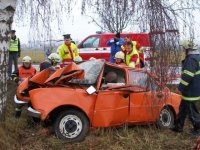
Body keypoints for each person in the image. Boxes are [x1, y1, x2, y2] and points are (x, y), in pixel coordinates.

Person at [171, 39, 200, 135]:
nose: (183, 49)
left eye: (184, 47)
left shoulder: (191, 59)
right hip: (192, 89)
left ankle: (198, 129)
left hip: (191, 91)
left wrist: (180, 88)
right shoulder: (196, 57)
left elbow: (187, 76)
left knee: (192, 112)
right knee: (183, 109)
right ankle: (178, 127)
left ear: (188, 48)